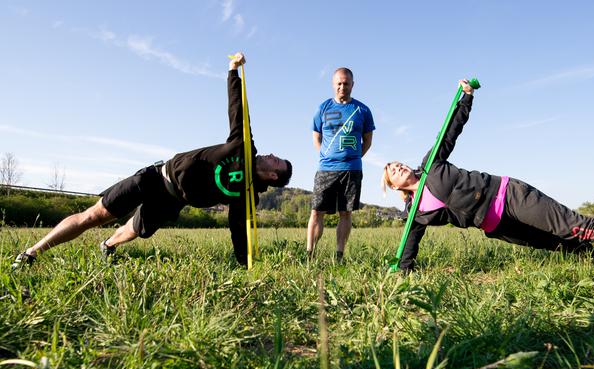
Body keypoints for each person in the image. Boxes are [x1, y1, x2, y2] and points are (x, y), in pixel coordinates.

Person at [12, 52, 292, 270]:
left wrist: (244, 264)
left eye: (276, 161)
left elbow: (238, 226)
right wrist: (233, 71)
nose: (270, 155)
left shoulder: (247, 194)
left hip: (172, 201)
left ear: (272, 177)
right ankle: (31, 253)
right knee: (94, 215)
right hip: (158, 177)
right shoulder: (243, 147)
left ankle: (107, 245)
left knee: (134, 231)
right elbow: (238, 108)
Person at [382, 80, 594, 281]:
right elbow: (410, 241)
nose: (399, 167)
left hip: (508, 196)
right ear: (394, 186)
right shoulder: (415, 214)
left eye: (398, 163)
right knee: (559, 243)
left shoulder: (431, 165)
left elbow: (448, 131)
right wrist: (403, 273)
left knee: (575, 227)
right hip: (497, 226)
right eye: (393, 171)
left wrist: (466, 98)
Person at [306, 67, 375, 263]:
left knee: (345, 212)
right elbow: (316, 137)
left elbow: (368, 141)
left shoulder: (362, 110)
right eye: (339, 83)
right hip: (326, 169)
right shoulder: (323, 108)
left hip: (352, 170)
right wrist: (327, 156)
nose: (342, 87)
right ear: (333, 84)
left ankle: (339, 255)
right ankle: (309, 254)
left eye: (346, 83)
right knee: (316, 211)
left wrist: (353, 157)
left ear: (352, 84)